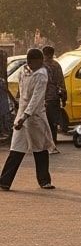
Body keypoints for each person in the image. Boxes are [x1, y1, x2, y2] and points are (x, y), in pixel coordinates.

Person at [1, 49, 55, 191]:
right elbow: (23, 95)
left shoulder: (42, 75)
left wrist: (25, 116)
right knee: (16, 149)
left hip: (35, 117)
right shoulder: (23, 71)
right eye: (31, 62)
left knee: (40, 148)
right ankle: (4, 181)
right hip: (21, 116)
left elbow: (36, 99)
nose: (40, 63)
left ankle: (44, 181)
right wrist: (21, 115)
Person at [41, 45, 67, 148]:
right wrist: (64, 98)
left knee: (43, 121)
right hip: (54, 97)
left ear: (44, 54)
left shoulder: (41, 66)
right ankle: (53, 141)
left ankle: (45, 142)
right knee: (53, 122)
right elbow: (61, 82)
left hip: (42, 97)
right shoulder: (56, 65)